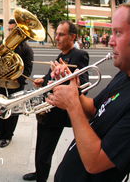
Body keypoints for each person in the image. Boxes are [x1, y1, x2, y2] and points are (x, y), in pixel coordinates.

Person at [48, 3, 130, 181]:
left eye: (118, 33)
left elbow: (96, 162)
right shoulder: (126, 74)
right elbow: (94, 109)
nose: (110, 41)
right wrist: (72, 87)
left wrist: (72, 104)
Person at [22, 20, 89, 182]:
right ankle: (38, 172)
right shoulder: (61, 55)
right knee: (40, 145)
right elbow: (50, 77)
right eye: (56, 33)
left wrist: (67, 77)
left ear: (72, 37)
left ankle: (41, 178)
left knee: (46, 150)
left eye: (61, 34)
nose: (56, 37)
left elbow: (83, 85)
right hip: (46, 109)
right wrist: (42, 81)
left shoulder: (79, 55)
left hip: (57, 113)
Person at [0, 19, 34, 148]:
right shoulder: (4, 44)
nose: (10, 33)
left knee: (13, 112)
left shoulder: (27, 50)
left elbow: (28, 70)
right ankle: (1, 133)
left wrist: (16, 79)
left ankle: (8, 136)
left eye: (13, 30)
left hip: (16, 86)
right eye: (9, 30)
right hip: (2, 83)